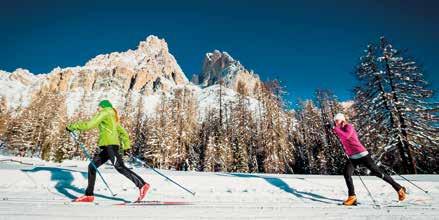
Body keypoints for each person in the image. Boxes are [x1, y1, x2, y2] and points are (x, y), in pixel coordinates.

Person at [66, 100, 150, 202]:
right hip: (107, 147)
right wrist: (126, 146)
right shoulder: (113, 117)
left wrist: (72, 126)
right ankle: (89, 195)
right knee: (92, 166)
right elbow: (123, 133)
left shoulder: (105, 112)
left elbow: (89, 125)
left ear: (103, 106)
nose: (98, 109)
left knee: (119, 167)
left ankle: (142, 185)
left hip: (110, 146)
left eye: (99, 107)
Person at [329, 113, 406, 206]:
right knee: (346, 174)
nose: (336, 122)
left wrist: (335, 129)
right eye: (335, 121)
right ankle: (352, 197)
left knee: (377, 172)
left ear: (342, 120)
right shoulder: (339, 129)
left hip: (362, 154)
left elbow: (346, 136)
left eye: (337, 120)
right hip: (352, 157)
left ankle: (399, 188)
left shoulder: (349, 127)